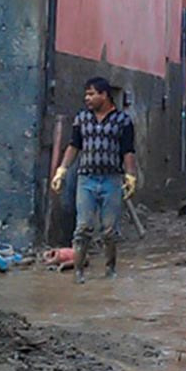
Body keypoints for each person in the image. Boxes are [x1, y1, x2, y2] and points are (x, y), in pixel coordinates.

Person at [50, 77, 138, 283]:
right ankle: (78, 273)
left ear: (104, 95)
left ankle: (110, 270)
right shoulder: (82, 119)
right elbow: (74, 146)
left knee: (109, 230)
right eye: (86, 94)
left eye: (91, 94)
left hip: (111, 179)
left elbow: (128, 150)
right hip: (86, 179)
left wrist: (131, 175)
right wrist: (62, 170)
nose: (87, 98)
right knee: (83, 228)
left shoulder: (123, 121)